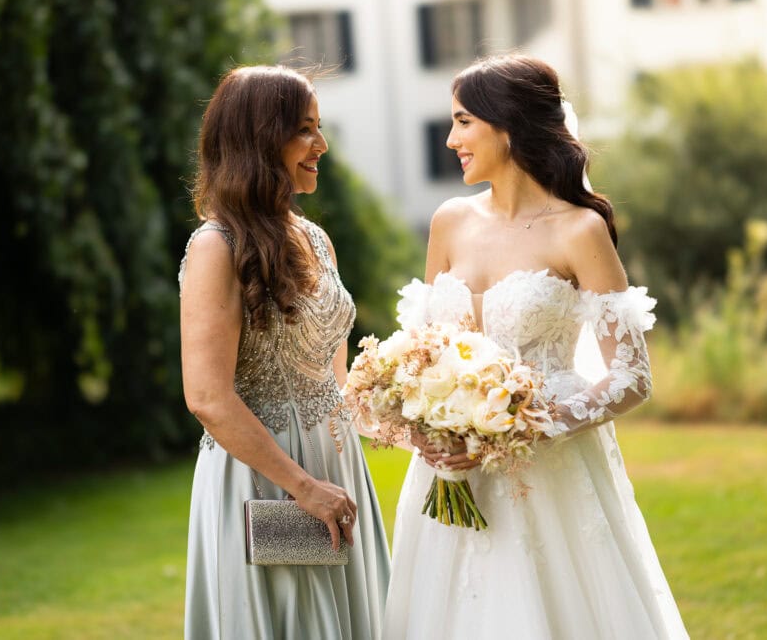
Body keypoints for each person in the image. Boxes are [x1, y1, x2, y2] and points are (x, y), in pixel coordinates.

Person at [383, 55, 689, 639]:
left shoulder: (579, 230)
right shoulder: (449, 222)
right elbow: (425, 351)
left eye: (463, 122)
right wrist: (424, 426)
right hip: (449, 474)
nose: (451, 140)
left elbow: (631, 377)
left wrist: (518, 429)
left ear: (508, 126)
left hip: (546, 473)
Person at [178, 65, 389, 639]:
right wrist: (303, 487)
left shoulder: (314, 238)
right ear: (260, 140)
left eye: (318, 127)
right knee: (294, 621)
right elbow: (207, 397)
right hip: (267, 480)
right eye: (304, 129)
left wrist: (406, 417)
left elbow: (334, 370)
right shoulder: (216, 246)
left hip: (336, 465)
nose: (321, 145)